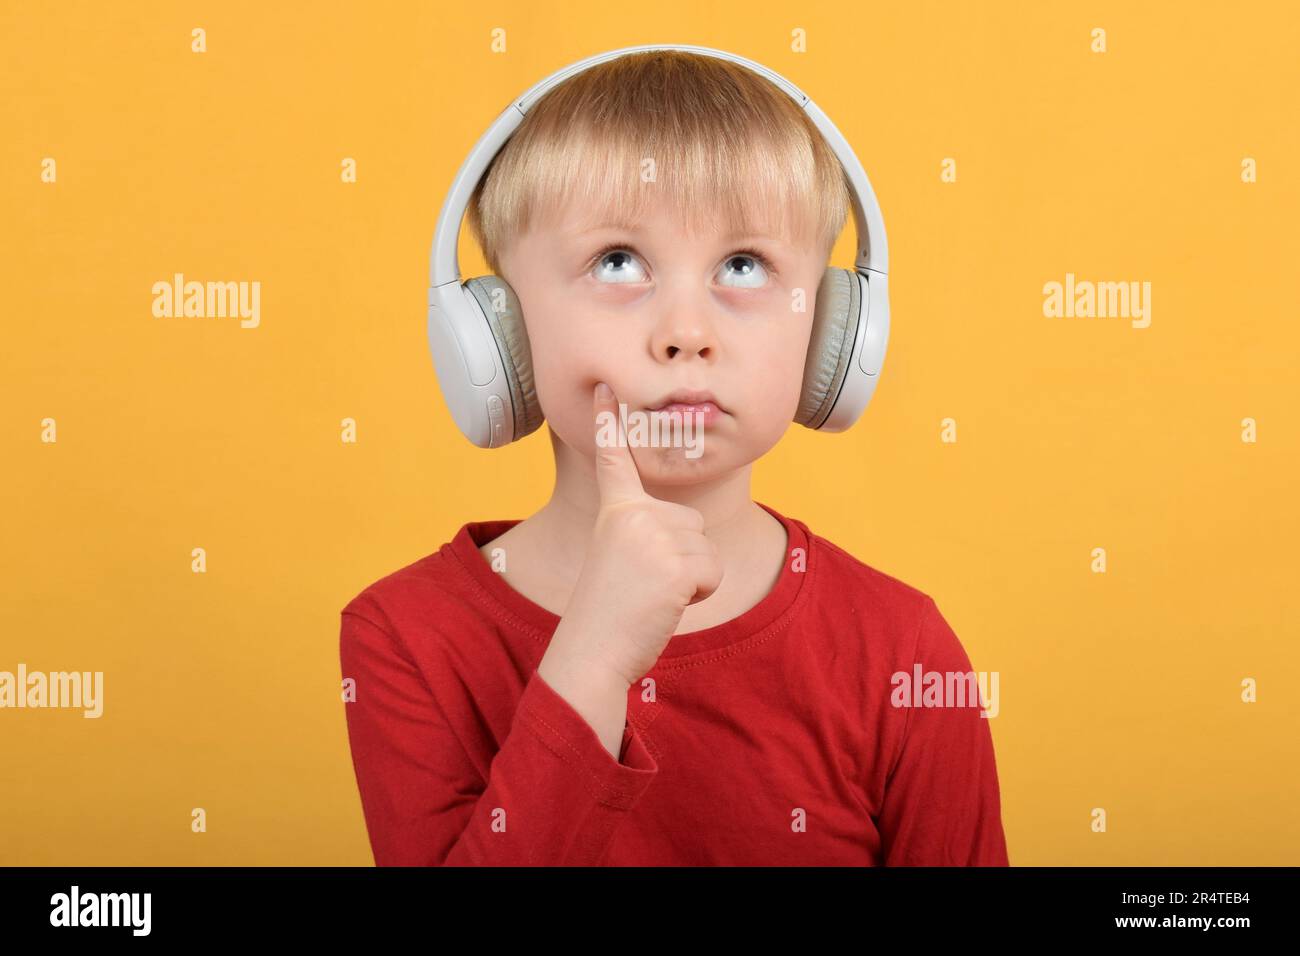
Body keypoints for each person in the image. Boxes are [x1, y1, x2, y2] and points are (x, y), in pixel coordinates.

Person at [339, 50, 1009, 866]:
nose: (686, 332)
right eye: (617, 262)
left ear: (832, 328)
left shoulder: (905, 650)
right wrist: (594, 657)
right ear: (502, 327)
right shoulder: (408, 635)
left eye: (744, 265)